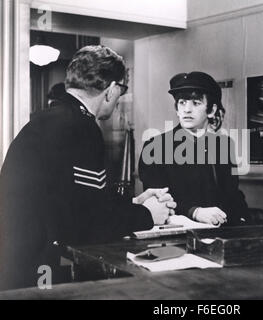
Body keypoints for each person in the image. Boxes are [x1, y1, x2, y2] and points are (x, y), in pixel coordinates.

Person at [0, 45, 176, 290]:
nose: (118, 99)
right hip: (41, 273)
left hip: (18, 264)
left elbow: (80, 200)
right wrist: (147, 215)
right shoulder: (82, 128)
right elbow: (89, 222)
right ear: (111, 90)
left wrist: (134, 203)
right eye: (121, 91)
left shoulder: (50, 119)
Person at [138, 71, 250, 226]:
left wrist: (242, 219)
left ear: (211, 110)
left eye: (196, 103)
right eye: (182, 103)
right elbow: (158, 202)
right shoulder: (155, 147)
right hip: (177, 239)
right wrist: (195, 212)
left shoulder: (223, 146)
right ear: (176, 109)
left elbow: (233, 195)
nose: (187, 109)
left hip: (222, 235)